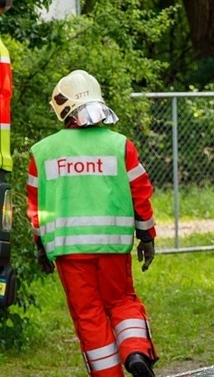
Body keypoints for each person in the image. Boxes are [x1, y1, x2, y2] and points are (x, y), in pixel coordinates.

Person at [27, 70, 158, 377]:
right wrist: (146, 236)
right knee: (122, 301)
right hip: (113, 246)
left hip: (68, 250)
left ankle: (107, 374)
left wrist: (40, 246)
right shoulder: (119, 145)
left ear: (63, 107)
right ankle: (136, 352)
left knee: (88, 315)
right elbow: (141, 193)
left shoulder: (42, 152)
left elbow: (36, 207)